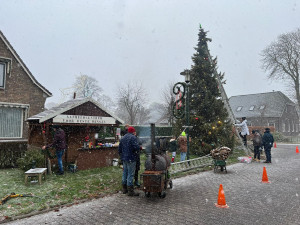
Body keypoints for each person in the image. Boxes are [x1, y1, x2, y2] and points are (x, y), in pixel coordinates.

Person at [118, 126, 141, 196]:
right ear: (133, 132)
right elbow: (136, 147)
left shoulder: (123, 138)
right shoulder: (133, 137)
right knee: (130, 174)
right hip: (131, 158)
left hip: (124, 159)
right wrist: (140, 147)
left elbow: (119, 149)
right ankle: (131, 191)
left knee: (125, 173)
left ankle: (124, 189)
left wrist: (122, 156)